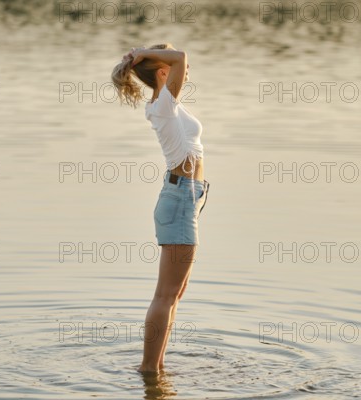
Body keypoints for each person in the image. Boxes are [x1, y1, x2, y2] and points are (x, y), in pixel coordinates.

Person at [111, 43, 210, 374]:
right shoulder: (163, 103)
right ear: (162, 71)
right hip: (180, 199)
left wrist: (146, 55)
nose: (186, 70)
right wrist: (143, 52)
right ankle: (149, 370)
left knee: (174, 294)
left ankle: (156, 367)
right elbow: (181, 57)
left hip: (185, 199)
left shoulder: (167, 106)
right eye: (169, 62)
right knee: (166, 295)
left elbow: (177, 59)